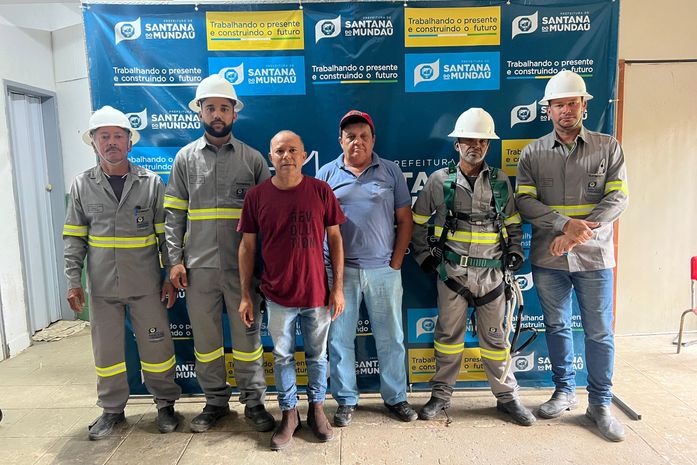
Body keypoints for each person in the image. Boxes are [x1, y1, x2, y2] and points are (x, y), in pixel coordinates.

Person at [515, 70, 629, 442]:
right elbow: (525, 202)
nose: (566, 110)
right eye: (558, 104)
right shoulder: (533, 153)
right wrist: (565, 226)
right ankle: (563, 391)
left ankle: (600, 404)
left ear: (584, 106)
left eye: (572, 103)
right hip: (550, 259)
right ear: (548, 110)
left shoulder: (607, 147)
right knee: (557, 326)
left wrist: (579, 234)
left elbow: (618, 198)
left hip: (595, 259)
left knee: (599, 332)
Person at [411, 108, 535, 426]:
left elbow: (512, 222)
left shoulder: (500, 182)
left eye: (481, 141)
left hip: (492, 277)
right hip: (452, 275)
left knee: (495, 340)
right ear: (457, 144)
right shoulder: (439, 181)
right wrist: (424, 255)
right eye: (468, 139)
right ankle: (441, 395)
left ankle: (507, 397)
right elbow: (417, 221)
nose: (475, 146)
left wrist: (516, 250)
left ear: (488, 145)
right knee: (447, 337)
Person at [64, 105, 181, 440]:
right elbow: (74, 238)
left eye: (118, 136)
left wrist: (169, 277)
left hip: (146, 285)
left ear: (130, 142)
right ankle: (112, 410)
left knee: (157, 349)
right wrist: (73, 280)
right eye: (104, 136)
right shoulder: (81, 185)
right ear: (94, 143)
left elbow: (165, 236)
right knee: (107, 352)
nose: (111, 142)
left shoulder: (150, 183)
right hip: (102, 288)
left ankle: (165, 405)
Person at [164, 75, 274, 433]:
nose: (217, 114)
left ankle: (254, 402)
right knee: (207, 343)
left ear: (234, 114)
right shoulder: (185, 159)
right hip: (198, 270)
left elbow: (267, 220)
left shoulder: (252, 160)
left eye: (224, 108)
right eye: (210, 107)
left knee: (248, 340)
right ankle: (215, 402)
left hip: (243, 271)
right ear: (200, 112)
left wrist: (264, 268)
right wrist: (175, 261)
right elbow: (173, 215)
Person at [238, 130, 346, 450]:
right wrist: (245, 295)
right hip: (277, 295)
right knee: (283, 357)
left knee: (318, 356)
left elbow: (336, 240)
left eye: (293, 150)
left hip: (316, 294)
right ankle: (289, 414)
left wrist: (337, 288)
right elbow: (247, 247)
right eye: (280, 151)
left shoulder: (321, 191)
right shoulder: (256, 197)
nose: (286, 156)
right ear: (270, 157)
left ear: (304, 156)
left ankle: (317, 409)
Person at [316, 110, 416, 426]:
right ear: (340, 141)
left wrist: (396, 262)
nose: (357, 141)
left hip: (383, 270)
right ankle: (346, 400)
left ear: (373, 140)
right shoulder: (326, 174)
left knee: (391, 338)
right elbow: (318, 226)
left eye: (363, 136)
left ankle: (396, 397)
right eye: (350, 136)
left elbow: (405, 220)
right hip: (340, 274)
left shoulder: (390, 171)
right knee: (339, 339)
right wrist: (327, 270)